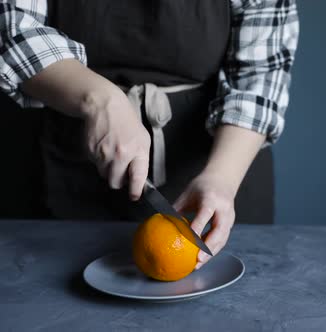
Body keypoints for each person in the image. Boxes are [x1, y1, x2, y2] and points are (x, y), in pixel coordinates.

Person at [0, 0, 299, 269]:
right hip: (64, 172)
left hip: (221, 166)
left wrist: (221, 178)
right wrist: (99, 99)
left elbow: (261, 74)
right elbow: (13, 25)